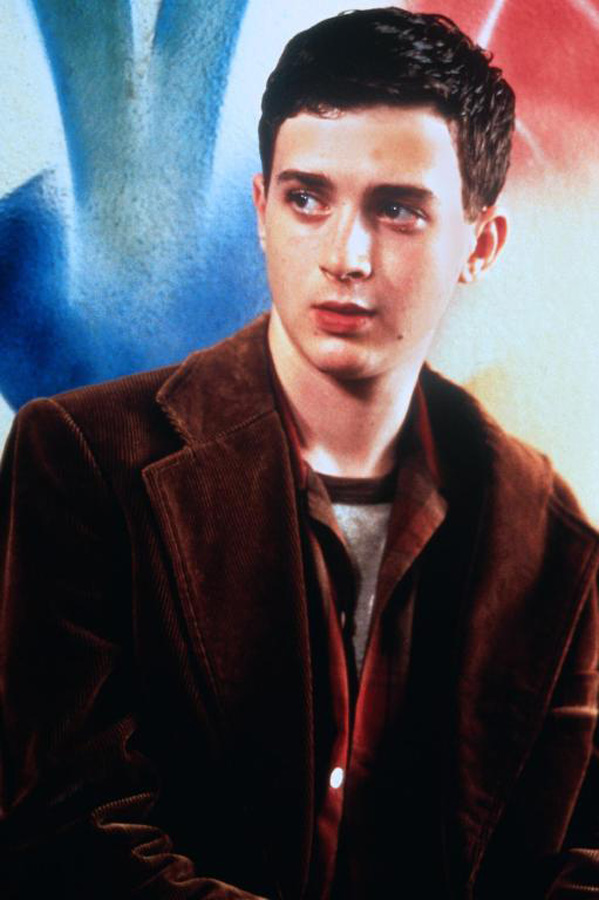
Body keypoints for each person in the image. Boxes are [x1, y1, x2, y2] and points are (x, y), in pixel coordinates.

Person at [1, 7, 598, 898]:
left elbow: (571, 862)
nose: (344, 255)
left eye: (397, 210)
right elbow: (60, 833)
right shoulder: (82, 459)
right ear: (262, 210)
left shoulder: (550, 540)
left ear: (479, 244)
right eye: (307, 198)